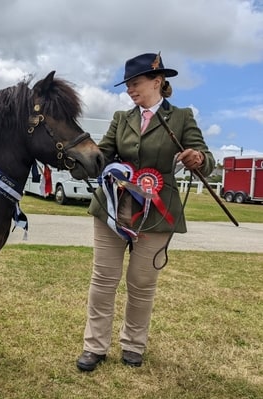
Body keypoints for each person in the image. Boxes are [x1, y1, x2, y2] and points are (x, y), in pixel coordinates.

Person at [76, 52, 215, 371]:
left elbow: (206, 158)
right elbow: (103, 153)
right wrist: (82, 155)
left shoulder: (181, 117)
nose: (129, 90)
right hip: (113, 208)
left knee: (141, 282)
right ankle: (94, 346)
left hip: (157, 211)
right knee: (103, 279)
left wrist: (198, 159)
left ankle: (133, 345)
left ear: (158, 81)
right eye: (128, 85)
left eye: (135, 83)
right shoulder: (120, 118)